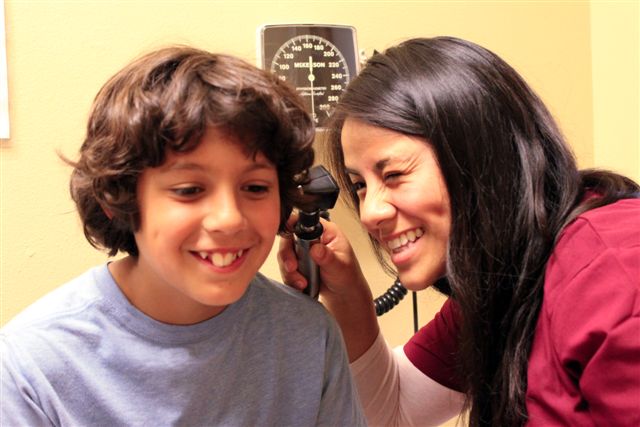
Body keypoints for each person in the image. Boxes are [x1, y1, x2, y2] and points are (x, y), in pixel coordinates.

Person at [278, 36, 640, 426]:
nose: (370, 213)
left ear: (482, 155)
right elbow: (395, 410)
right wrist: (348, 293)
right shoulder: (506, 279)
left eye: (395, 174)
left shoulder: (614, 272)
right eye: (361, 185)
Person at [0, 46, 366, 426]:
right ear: (118, 198)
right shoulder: (30, 368)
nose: (228, 219)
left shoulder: (309, 336)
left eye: (255, 187)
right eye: (189, 189)